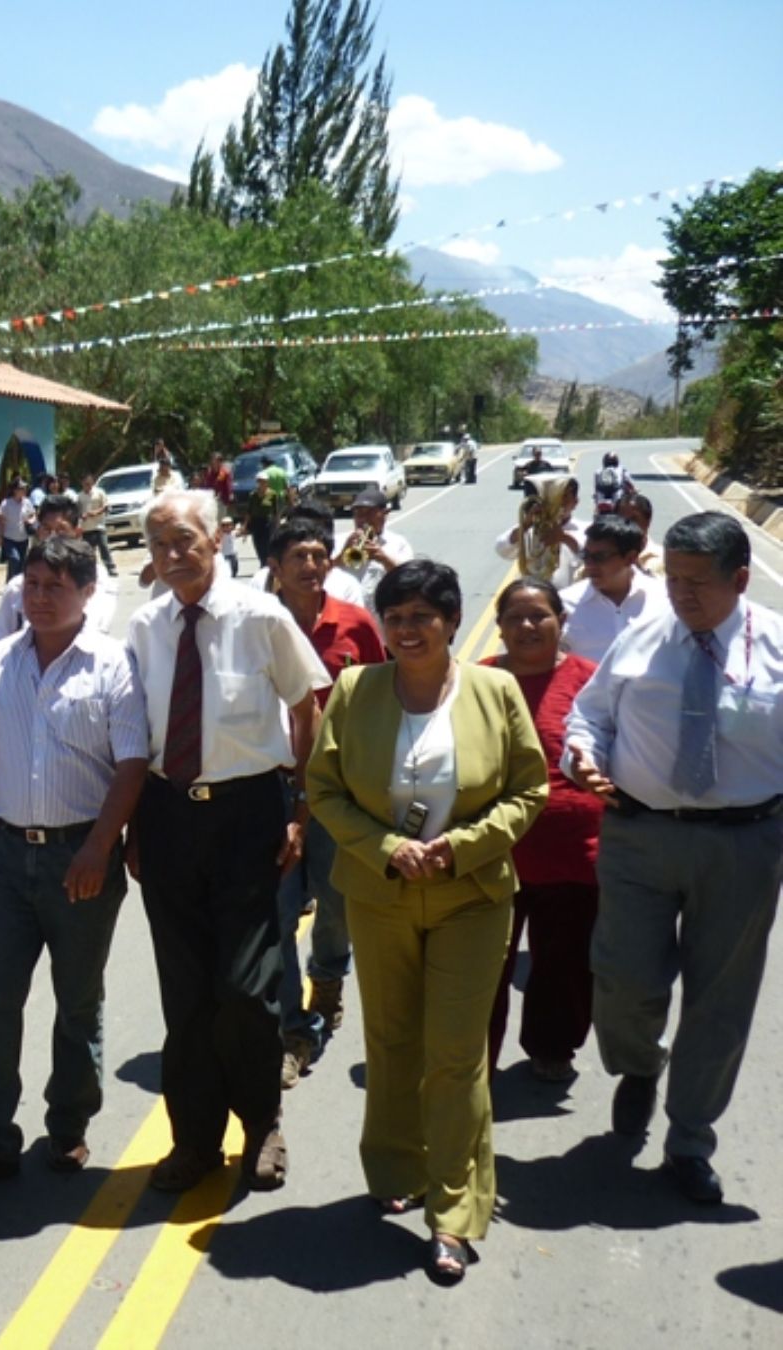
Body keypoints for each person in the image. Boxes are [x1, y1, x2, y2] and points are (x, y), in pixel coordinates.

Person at [306, 559, 547, 1284]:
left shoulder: (495, 691)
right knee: (390, 1038)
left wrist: (458, 847)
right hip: (380, 893)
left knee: (454, 1054)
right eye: (396, 615)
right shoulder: (356, 689)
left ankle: (454, 1215)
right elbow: (323, 787)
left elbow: (526, 790)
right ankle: (392, 1167)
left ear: (450, 622)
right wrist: (387, 849)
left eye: (423, 617)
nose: (408, 630)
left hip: (469, 895)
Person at [564, 512, 783, 1207]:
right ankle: (637, 1066)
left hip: (744, 844)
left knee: (720, 1000)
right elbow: (589, 714)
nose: (681, 594)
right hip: (639, 835)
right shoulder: (644, 635)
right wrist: (584, 753)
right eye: (675, 578)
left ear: (739, 580)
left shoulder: (776, 646)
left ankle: (689, 1139)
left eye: (697, 583)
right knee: (622, 978)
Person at [125, 490, 328, 1197]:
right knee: (185, 996)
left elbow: (307, 710)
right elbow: (133, 738)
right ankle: (195, 1141)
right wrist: (132, 828)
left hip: (249, 816)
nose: (172, 554)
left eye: (184, 540)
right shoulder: (145, 626)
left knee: (245, 988)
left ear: (216, 540)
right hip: (166, 817)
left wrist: (302, 809)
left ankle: (262, 1123)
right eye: (158, 543)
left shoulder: (261, 616)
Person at [0, 536, 150, 1186]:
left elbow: (133, 765)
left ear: (88, 593)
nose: (40, 597)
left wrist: (98, 846)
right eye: (31, 584)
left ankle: (69, 1128)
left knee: (77, 1001)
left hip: (81, 857)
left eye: (56, 586)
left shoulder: (115, 667)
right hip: (7, 856)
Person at [264, 518, 387, 1090]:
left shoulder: (356, 624)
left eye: (319, 555)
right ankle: (293, 1028)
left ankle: (329, 983)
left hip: (341, 794)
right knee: (280, 914)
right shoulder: (256, 625)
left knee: (336, 908)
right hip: (273, 793)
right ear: (274, 566)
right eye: (298, 556)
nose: (311, 566)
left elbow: (382, 697)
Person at [483, 579, 604, 1081]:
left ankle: (553, 1047)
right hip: (491, 854)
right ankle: (473, 1063)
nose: (527, 626)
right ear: (499, 628)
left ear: (562, 621)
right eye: (515, 617)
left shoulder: (592, 681)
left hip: (574, 855)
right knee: (484, 968)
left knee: (565, 963)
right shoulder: (475, 681)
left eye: (540, 616)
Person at [0, 495, 119, 640]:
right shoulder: (17, 587)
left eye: (61, 530)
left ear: (77, 534)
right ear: (39, 532)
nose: (53, 537)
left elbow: (94, 629)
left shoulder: (96, 580)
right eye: (47, 529)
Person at [559, 515, 669, 662]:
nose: (589, 564)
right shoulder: (564, 603)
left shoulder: (662, 598)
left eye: (600, 557)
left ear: (630, 558)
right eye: (586, 556)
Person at [337, 487, 414, 613]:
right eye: (358, 514)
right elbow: (325, 572)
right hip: (347, 614)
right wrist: (343, 553)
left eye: (369, 513)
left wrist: (383, 558)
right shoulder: (340, 540)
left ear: (385, 513)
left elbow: (410, 578)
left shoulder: (399, 543)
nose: (363, 519)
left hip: (380, 618)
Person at [497, 476, 582, 588]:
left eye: (564, 496)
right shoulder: (531, 530)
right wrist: (525, 526)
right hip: (534, 598)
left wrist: (564, 538)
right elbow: (502, 549)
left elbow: (589, 556)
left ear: (575, 502)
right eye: (552, 497)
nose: (558, 502)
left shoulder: (585, 529)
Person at [77, 472, 118, 577]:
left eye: (90, 483)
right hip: (87, 528)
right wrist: (83, 515)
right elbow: (77, 512)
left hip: (99, 526)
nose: (88, 485)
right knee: (89, 551)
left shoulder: (99, 492)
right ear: (82, 483)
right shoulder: (80, 496)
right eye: (85, 483)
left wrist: (96, 512)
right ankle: (91, 570)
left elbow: (106, 506)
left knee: (104, 547)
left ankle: (110, 568)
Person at [616, 492, 659, 573]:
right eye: (621, 519)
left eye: (633, 520)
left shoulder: (662, 559)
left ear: (647, 522)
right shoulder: (604, 558)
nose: (627, 524)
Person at [0, 480, 32, 580]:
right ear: (15, 490)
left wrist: (30, 520)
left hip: (23, 538)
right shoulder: (6, 503)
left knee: (21, 565)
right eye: (21, 488)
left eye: (24, 488)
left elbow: (33, 514)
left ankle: (17, 586)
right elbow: (1, 521)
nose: (24, 490)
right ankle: (9, 581)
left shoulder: (27, 502)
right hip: (9, 538)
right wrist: (0, 537)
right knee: (14, 559)